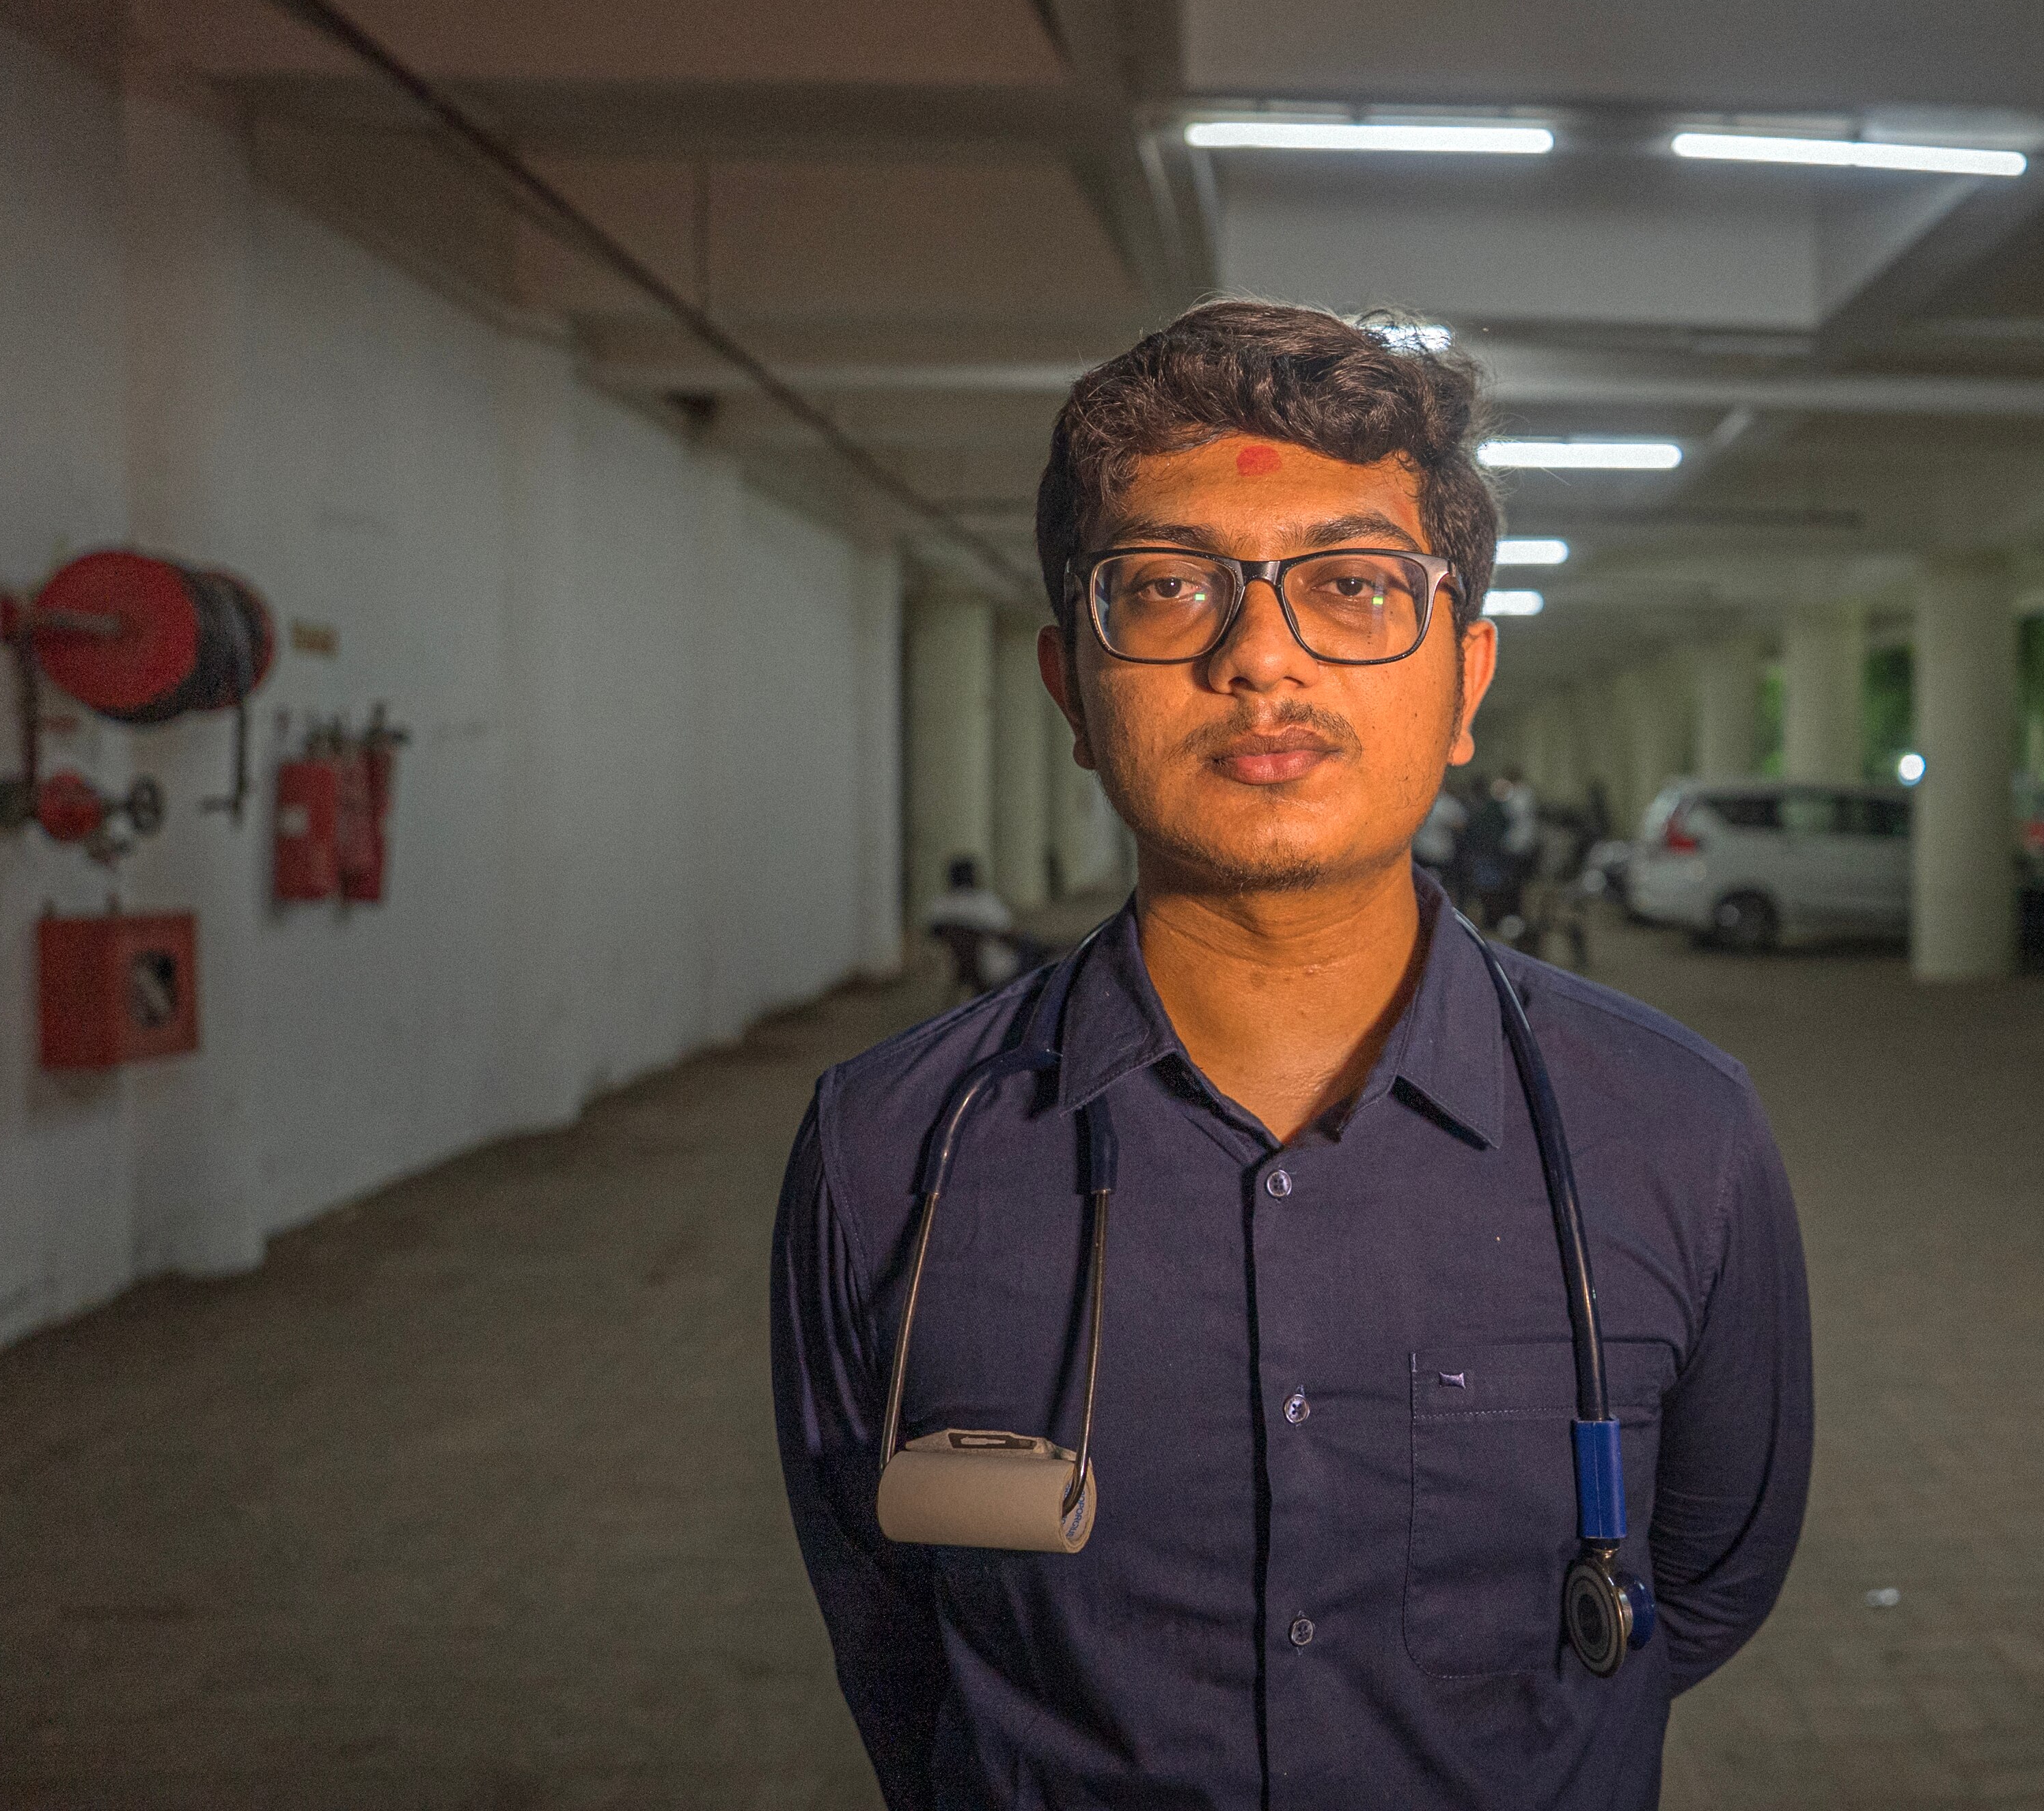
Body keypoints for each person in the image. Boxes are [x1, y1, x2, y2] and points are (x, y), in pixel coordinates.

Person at [772, 301, 1812, 1811]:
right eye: (1169, 587)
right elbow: (891, 1630)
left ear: (1462, 681)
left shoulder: (1670, 1129)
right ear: (1073, 686)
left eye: (1351, 585)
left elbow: (1703, 1584)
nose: (1261, 656)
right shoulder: (889, 1151)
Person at [920, 856, 1025, 995]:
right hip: (995, 967)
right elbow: (1008, 934)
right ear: (974, 877)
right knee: (1031, 950)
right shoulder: (985, 902)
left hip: (960, 967)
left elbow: (933, 932)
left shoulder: (939, 904)